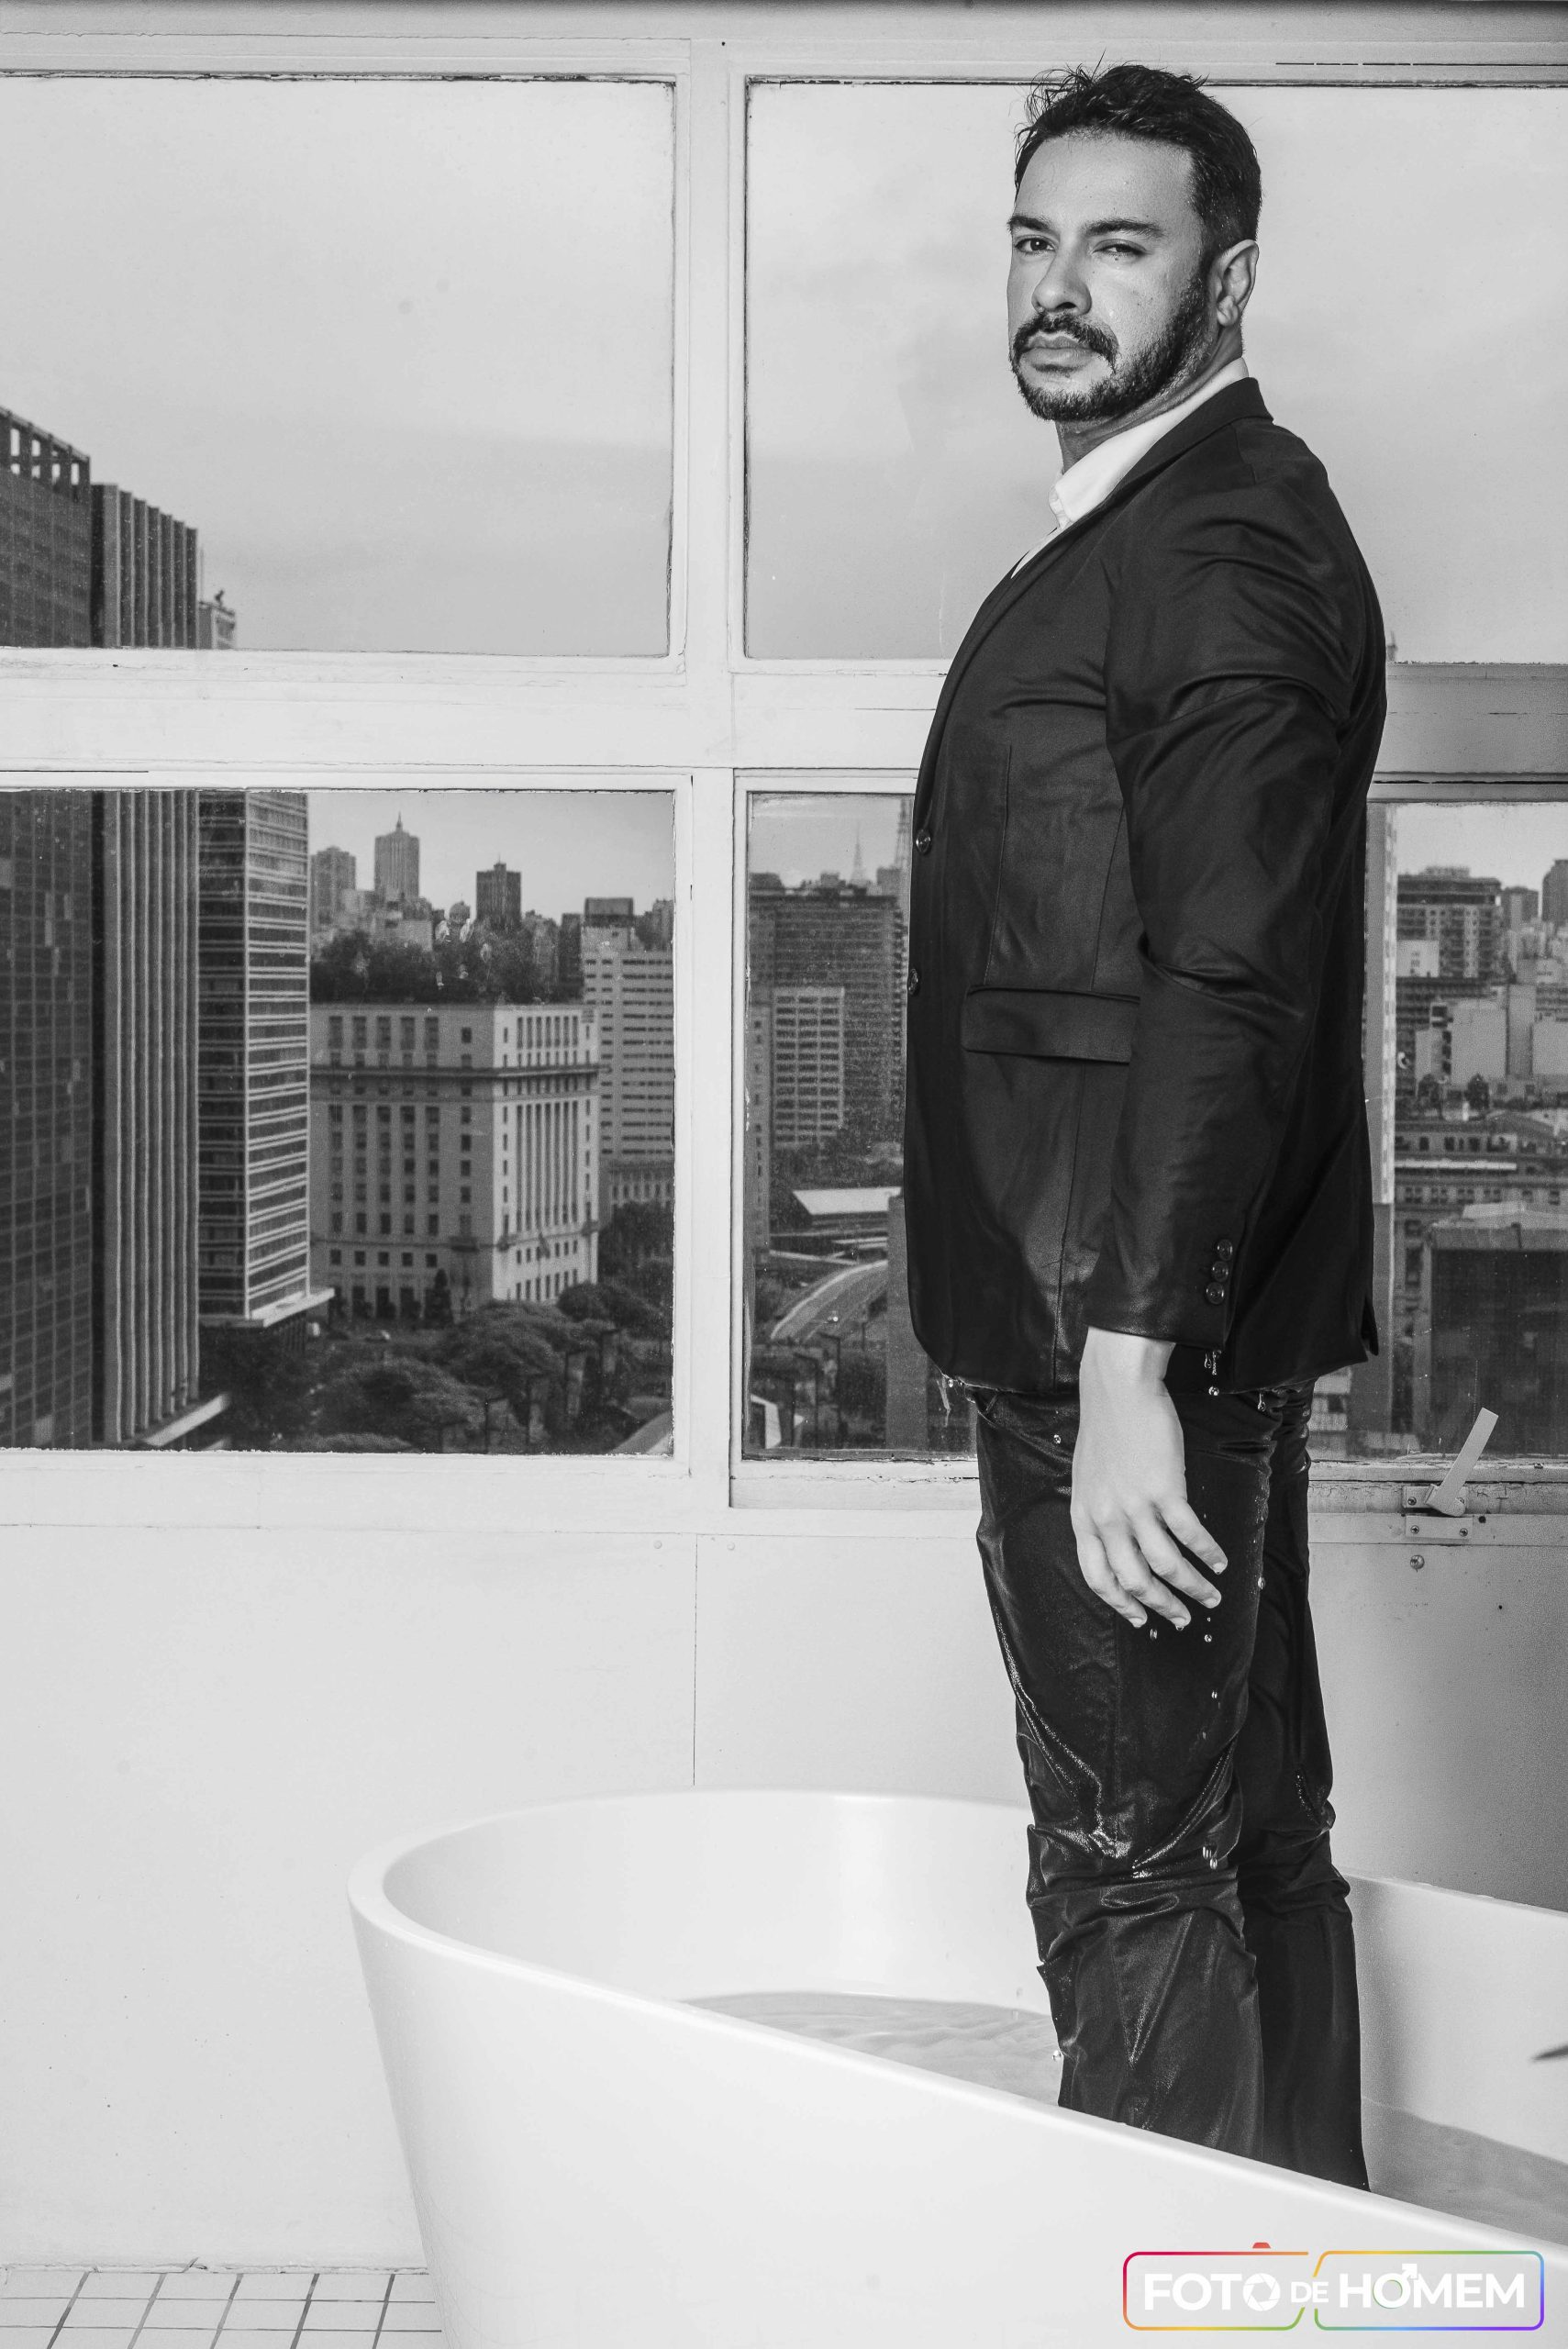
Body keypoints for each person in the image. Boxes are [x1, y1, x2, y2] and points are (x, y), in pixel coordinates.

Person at [901, 61, 1385, 2184]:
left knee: (1128, 1862)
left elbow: (1232, 980)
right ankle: (1304, 2290)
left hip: (1124, 1323)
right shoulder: (1169, 522)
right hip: (1152, 1312)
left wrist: (1124, 1364)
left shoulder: (1225, 544)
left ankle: (1165, 2307)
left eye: (1120, 245)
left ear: (1228, 278)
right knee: (1242, 1835)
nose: (1059, 287)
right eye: (1035, 240)